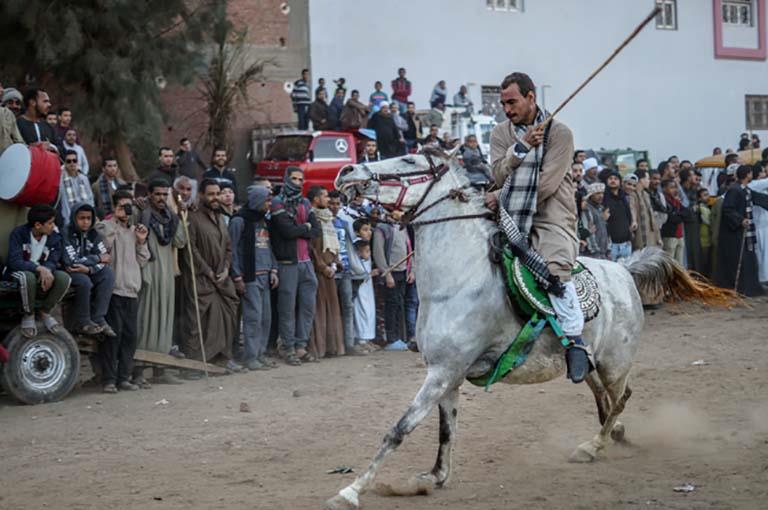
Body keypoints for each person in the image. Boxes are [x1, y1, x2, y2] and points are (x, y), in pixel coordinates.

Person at [489, 71, 589, 383]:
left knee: (555, 265)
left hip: (551, 216)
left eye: (512, 102)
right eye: (503, 103)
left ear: (531, 97)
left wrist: (498, 195)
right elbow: (497, 174)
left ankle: (575, 341)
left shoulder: (560, 133)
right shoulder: (500, 134)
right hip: (508, 214)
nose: (507, 109)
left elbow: (545, 184)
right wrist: (519, 149)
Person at [177, 179, 243, 371]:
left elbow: (229, 247)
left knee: (228, 314)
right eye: (211, 194)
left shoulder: (221, 218)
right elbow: (191, 250)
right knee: (198, 322)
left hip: (222, 278)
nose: (215, 198)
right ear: (202, 196)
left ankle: (223, 357)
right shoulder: (192, 217)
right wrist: (207, 271)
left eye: (217, 194)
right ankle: (197, 363)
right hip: (200, 279)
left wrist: (225, 269)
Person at [95, 191, 150, 393]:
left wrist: (142, 241)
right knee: (113, 337)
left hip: (132, 291)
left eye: (129, 207)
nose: (126, 211)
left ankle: (124, 378)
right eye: (122, 206)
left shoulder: (135, 230)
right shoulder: (105, 226)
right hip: (114, 291)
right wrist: (115, 220)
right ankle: (109, 379)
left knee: (130, 336)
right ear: (115, 207)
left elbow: (143, 260)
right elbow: (104, 246)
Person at [134, 179, 187, 387]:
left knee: (164, 320)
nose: (162, 199)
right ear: (149, 194)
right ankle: (138, 370)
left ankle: (160, 369)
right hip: (148, 272)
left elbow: (181, 242)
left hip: (166, 276)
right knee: (145, 320)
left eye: (165, 195)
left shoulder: (171, 218)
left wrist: (181, 217)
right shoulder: (142, 213)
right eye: (158, 194)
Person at [270, 167, 320, 366]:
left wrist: (304, 228)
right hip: (287, 262)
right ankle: (288, 348)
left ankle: (301, 346)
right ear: (286, 178)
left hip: (306, 261)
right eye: (294, 178)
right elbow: (286, 231)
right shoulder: (277, 202)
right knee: (287, 308)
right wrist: (304, 227)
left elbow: (315, 229)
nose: (297, 182)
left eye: (300, 179)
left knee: (307, 306)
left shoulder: (305, 202)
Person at [229, 185, 278, 371]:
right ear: (257, 200)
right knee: (253, 318)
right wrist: (237, 276)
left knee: (266, 317)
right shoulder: (240, 221)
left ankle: (260, 353)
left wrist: (274, 270)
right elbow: (232, 250)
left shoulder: (263, 221)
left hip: (266, 275)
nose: (269, 204)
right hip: (249, 276)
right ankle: (250, 356)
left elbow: (270, 246)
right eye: (266, 200)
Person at [4, 205, 71, 338]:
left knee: (64, 278)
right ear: (38, 225)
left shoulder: (55, 238)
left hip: (42, 271)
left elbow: (53, 260)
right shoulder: (19, 233)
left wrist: (47, 269)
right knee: (27, 277)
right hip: (18, 272)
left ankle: (45, 312)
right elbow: (15, 262)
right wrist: (39, 268)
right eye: (50, 223)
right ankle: (28, 314)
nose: (53, 226)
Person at [62, 202, 116, 336]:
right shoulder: (65, 233)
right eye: (81, 218)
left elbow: (106, 259)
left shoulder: (94, 234)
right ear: (74, 218)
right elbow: (72, 262)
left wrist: (90, 269)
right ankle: (84, 322)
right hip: (68, 271)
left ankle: (98, 317)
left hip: (86, 270)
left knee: (108, 274)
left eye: (88, 218)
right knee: (84, 281)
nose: (85, 222)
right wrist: (96, 258)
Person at [715, 165, 767, 296]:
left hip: (746, 233)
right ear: (748, 174)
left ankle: (750, 288)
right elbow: (727, 209)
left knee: (748, 259)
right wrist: (740, 220)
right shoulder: (735, 190)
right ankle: (738, 289)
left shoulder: (745, 190)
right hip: (736, 234)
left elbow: (760, 199)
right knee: (739, 260)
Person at [307, 186, 345, 358]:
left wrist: (336, 263)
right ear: (315, 199)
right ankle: (319, 348)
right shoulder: (312, 217)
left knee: (332, 308)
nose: (328, 199)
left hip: (331, 268)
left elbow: (334, 245)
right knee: (320, 308)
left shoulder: (328, 218)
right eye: (324, 196)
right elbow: (312, 247)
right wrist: (323, 267)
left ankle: (333, 347)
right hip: (319, 270)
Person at [329, 190, 367, 355]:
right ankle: (333, 345)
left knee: (347, 306)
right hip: (329, 270)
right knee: (332, 308)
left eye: (338, 204)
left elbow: (351, 244)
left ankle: (348, 344)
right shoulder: (322, 222)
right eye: (332, 203)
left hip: (344, 269)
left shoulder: (343, 223)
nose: (334, 207)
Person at [373, 210, 414, 350]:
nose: (402, 213)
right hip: (391, 272)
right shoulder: (381, 228)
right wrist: (386, 273)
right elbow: (378, 252)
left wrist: (411, 270)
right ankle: (391, 338)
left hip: (403, 272)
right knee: (391, 305)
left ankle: (400, 336)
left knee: (399, 304)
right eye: (398, 210)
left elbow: (409, 250)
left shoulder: (402, 226)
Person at [353, 239, 379, 352]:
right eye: (366, 251)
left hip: (368, 290)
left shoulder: (367, 260)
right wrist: (369, 274)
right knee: (362, 312)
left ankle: (368, 339)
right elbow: (358, 274)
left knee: (370, 312)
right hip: (360, 290)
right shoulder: (356, 261)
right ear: (358, 252)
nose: (369, 254)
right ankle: (361, 339)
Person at [602, 171, 634, 261]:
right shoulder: (604, 198)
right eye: (610, 179)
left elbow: (628, 217)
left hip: (626, 243)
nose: (613, 181)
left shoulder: (624, 198)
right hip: (611, 245)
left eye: (615, 179)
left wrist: (629, 237)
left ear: (620, 182)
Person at [59, 150, 95, 224]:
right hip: (69, 221)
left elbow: (90, 198)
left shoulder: (84, 178)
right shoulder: (60, 179)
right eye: (69, 161)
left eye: (74, 161)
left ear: (77, 162)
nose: (72, 163)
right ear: (64, 163)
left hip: (86, 220)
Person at [629, 169, 661, 251]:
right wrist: (634, 221)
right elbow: (632, 209)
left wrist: (658, 237)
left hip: (651, 237)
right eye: (647, 178)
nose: (649, 181)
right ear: (640, 180)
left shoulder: (646, 194)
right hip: (640, 237)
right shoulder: (632, 195)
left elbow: (652, 218)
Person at [679, 168, 703, 271]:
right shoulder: (681, 190)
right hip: (686, 223)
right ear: (688, 178)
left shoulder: (694, 189)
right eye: (693, 175)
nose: (695, 177)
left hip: (695, 222)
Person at [660, 179, 686, 265]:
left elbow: (687, 214)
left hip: (680, 236)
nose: (675, 190)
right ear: (664, 189)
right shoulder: (663, 201)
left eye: (675, 187)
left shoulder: (676, 200)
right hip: (670, 236)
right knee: (670, 265)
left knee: (680, 266)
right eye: (671, 187)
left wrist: (679, 214)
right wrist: (680, 215)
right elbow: (671, 218)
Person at [581, 183, 609, 259]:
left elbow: (604, 230)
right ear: (591, 195)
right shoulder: (587, 210)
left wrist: (607, 250)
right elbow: (589, 231)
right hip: (594, 253)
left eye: (602, 193)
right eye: (597, 193)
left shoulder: (600, 208)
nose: (601, 196)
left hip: (603, 251)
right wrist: (595, 251)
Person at [697, 188, 714, 279]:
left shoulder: (706, 207)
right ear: (699, 198)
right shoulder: (701, 208)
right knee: (704, 260)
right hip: (704, 238)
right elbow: (708, 221)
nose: (707, 197)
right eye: (705, 195)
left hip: (708, 238)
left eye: (708, 194)